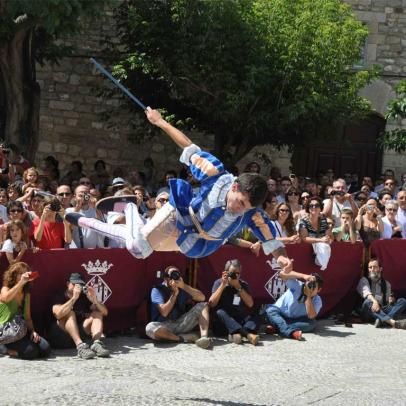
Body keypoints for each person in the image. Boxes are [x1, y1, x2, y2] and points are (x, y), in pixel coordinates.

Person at [65, 108, 292, 272]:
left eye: (245, 208)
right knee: (137, 248)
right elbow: (189, 147)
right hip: (179, 215)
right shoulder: (216, 174)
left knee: (137, 244)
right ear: (234, 186)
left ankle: (87, 220)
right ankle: (131, 210)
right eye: (239, 201)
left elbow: (271, 239)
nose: (238, 209)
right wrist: (161, 122)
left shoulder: (251, 213)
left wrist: (281, 258)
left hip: (195, 243)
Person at [145, 266, 212, 349]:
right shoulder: (157, 290)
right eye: (172, 275)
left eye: (177, 274)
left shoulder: (183, 288)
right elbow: (164, 312)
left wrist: (183, 286)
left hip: (181, 322)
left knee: (203, 305)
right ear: (166, 277)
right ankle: (182, 338)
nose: (175, 277)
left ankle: (204, 338)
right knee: (150, 328)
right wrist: (175, 294)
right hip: (164, 325)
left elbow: (202, 298)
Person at [49, 272, 110, 359]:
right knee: (70, 312)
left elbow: (105, 312)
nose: (77, 287)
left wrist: (95, 300)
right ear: (67, 284)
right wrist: (74, 298)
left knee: (97, 313)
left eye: (80, 285)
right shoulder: (58, 295)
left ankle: (97, 344)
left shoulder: (83, 297)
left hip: (79, 334)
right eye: (74, 284)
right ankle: (80, 346)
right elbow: (58, 314)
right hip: (60, 336)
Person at [0, 262, 51, 359]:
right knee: (31, 352)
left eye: (26, 272)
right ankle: (5, 350)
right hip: (6, 332)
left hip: (20, 330)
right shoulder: (5, 289)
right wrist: (21, 283)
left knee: (45, 349)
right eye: (20, 273)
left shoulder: (26, 294)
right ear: (14, 275)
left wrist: (33, 331)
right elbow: (5, 298)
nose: (24, 275)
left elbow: (27, 317)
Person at [209, 259, 260, 345]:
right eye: (233, 273)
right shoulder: (218, 283)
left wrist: (238, 286)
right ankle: (247, 334)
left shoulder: (243, 284)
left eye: (238, 274)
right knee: (219, 312)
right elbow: (211, 304)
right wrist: (223, 284)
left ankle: (235, 333)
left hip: (239, 319)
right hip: (223, 323)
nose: (236, 276)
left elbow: (250, 304)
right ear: (225, 272)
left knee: (258, 313)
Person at [264, 271, 323, 341]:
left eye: (313, 286)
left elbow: (311, 316)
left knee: (311, 324)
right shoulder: (297, 285)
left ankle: (278, 327)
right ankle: (291, 333)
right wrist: (304, 276)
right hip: (279, 313)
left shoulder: (317, 300)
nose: (310, 286)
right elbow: (282, 274)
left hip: (294, 320)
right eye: (309, 283)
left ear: (319, 290)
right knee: (270, 311)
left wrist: (308, 296)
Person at [357, 259, 406, 329]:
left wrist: (391, 301)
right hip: (367, 312)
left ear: (380, 269)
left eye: (375, 267)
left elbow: (387, 303)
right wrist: (374, 302)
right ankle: (393, 323)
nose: (372, 269)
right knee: (368, 302)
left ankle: (382, 321)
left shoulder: (387, 284)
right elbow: (367, 293)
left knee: (402, 301)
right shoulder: (364, 280)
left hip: (381, 310)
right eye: (370, 267)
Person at [65, 184, 104, 249]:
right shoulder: (69, 211)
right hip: (76, 251)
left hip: (94, 251)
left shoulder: (96, 211)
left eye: (86, 194)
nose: (83, 197)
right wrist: (77, 210)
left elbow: (102, 228)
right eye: (80, 195)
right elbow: (69, 229)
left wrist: (96, 208)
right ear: (75, 197)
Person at [299, 197, 332, 270]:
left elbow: (328, 237)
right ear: (308, 208)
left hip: (320, 255)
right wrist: (320, 240)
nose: (314, 207)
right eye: (311, 206)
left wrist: (328, 240)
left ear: (320, 208)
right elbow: (304, 238)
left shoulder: (324, 221)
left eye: (317, 205)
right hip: (304, 255)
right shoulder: (303, 221)